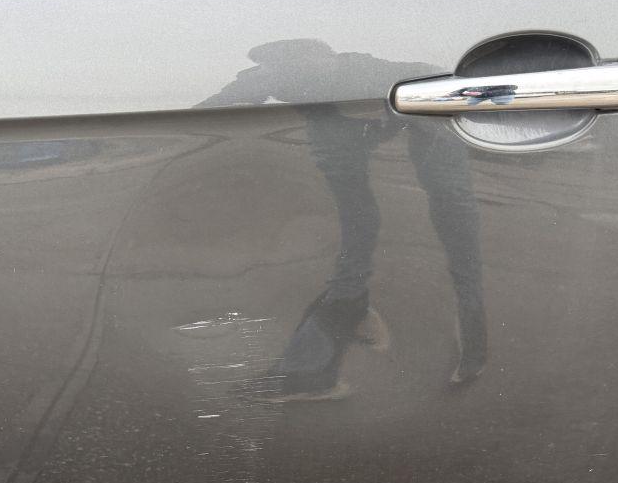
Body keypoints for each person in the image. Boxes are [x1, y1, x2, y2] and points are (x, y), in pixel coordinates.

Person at [200, 39, 486, 400]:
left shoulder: (376, 71)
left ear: (329, 56)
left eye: (307, 63)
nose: (300, 71)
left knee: (450, 205)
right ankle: (348, 309)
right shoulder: (272, 76)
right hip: (341, 125)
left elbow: (446, 83)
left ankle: (469, 325)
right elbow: (211, 109)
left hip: (420, 119)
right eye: (289, 69)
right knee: (359, 218)